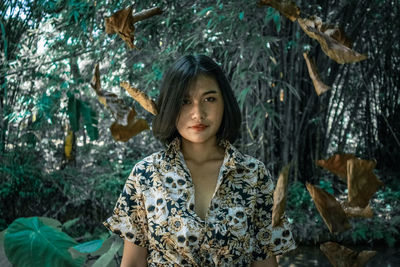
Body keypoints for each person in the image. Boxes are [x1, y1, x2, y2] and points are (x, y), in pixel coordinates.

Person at [103, 54, 296, 266]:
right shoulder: (146, 175)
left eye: (209, 99)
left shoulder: (253, 174)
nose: (198, 113)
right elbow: (133, 263)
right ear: (170, 106)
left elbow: (265, 262)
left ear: (225, 103)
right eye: (185, 101)